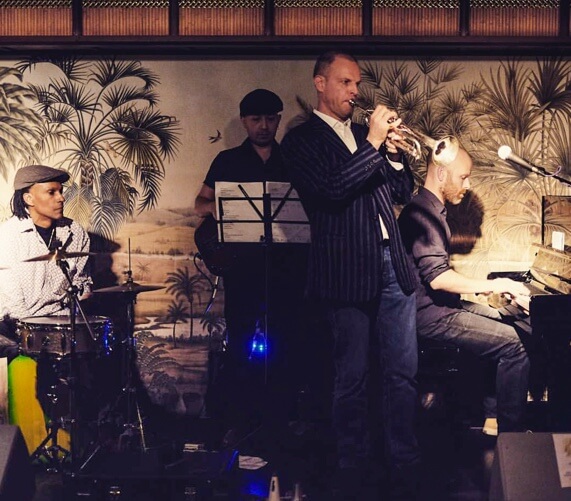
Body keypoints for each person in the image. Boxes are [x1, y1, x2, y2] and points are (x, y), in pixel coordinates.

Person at [281, 51, 420, 500]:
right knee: (352, 377)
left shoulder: (364, 136)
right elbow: (332, 190)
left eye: (357, 83)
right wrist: (374, 143)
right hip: (345, 267)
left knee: (402, 373)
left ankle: (404, 460)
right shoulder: (301, 141)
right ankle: (353, 464)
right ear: (320, 83)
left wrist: (394, 156)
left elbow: (402, 192)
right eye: (346, 82)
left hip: (392, 263)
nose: (355, 92)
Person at [194, 89, 309, 447]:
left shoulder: (293, 160)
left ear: (278, 119)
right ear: (244, 121)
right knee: (241, 344)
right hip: (242, 269)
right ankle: (238, 421)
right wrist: (219, 209)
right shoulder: (227, 160)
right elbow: (199, 203)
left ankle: (280, 421)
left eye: (271, 119)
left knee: (286, 345)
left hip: (286, 269)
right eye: (256, 119)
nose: (263, 126)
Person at [398, 146, 531, 435]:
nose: (468, 185)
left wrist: (481, 289)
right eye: (463, 177)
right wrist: (494, 284)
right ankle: (512, 437)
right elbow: (438, 279)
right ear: (441, 173)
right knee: (515, 345)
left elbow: (434, 273)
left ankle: (492, 418)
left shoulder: (429, 209)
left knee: (507, 321)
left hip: (441, 307)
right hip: (431, 316)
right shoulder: (423, 214)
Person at [0, 164, 94, 433]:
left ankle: (76, 438)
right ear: (29, 198)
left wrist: (83, 290)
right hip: (15, 325)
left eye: (60, 191)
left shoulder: (74, 232)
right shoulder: (7, 237)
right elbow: (12, 302)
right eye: (51, 192)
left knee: (87, 375)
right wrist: (42, 331)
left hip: (61, 322)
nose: (61, 198)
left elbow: (81, 280)